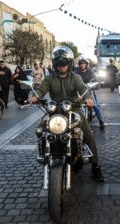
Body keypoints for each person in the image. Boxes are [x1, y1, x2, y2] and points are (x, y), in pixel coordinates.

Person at [28, 46, 104, 182]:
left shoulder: (76, 77)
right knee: (39, 130)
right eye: (59, 64)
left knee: (88, 136)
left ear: (69, 65)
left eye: (64, 64)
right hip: (54, 111)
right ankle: (46, 154)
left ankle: (95, 166)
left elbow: (82, 88)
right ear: (55, 65)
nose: (62, 67)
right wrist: (34, 96)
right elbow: (41, 89)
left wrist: (88, 98)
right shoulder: (50, 78)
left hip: (74, 110)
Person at [75, 58, 105, 129]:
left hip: (88, 91)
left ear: (86, 64)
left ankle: (101, 121)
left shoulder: (90, 72)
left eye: (84, 64)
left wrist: (96, 84)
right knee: (76, 106)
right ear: (79, 65)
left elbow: (96, 80)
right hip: (78, 92)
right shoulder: (76, 73)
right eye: (81, 64)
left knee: (95, 106)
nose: (83, 65)